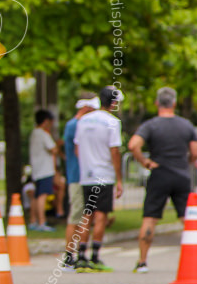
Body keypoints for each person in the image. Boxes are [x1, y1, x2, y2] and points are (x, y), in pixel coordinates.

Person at [127, 86, 197, 273]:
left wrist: (145, 161)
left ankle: (142, 261)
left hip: (159, 174)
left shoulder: (151, 125)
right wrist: (188, 163)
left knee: (150, 218)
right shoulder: (186, 125)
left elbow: (133, 145)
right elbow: (196, 152)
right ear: (174, 103)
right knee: (188, 219)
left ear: (157, 103)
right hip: (181, 176)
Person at [73, 85, 125, 273]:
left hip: (87, 175)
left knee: (87, 214)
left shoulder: (83, 121)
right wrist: (119, 179)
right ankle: (95, 256)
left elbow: (77, 148)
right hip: (104, 174)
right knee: (101, 215)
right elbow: (114, 151)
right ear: (113, 103)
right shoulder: (112, 122)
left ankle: (81, 256)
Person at [62, 93, 98, 270]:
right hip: (78, 177)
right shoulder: (75, 125)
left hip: (85, 177)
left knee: (84, 217)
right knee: (76, 216)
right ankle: (69, 255)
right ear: (86, 109)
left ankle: (79, 253)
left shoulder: (80, 124)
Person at [28, 110, 59, 231]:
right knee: (42, 195)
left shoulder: (34, 133)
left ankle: (33, 220)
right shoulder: (43, 134)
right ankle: (42, 222)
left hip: (36, 168)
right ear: (46, 122)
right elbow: (53, 149)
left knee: (36, 196)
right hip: (45, 169)